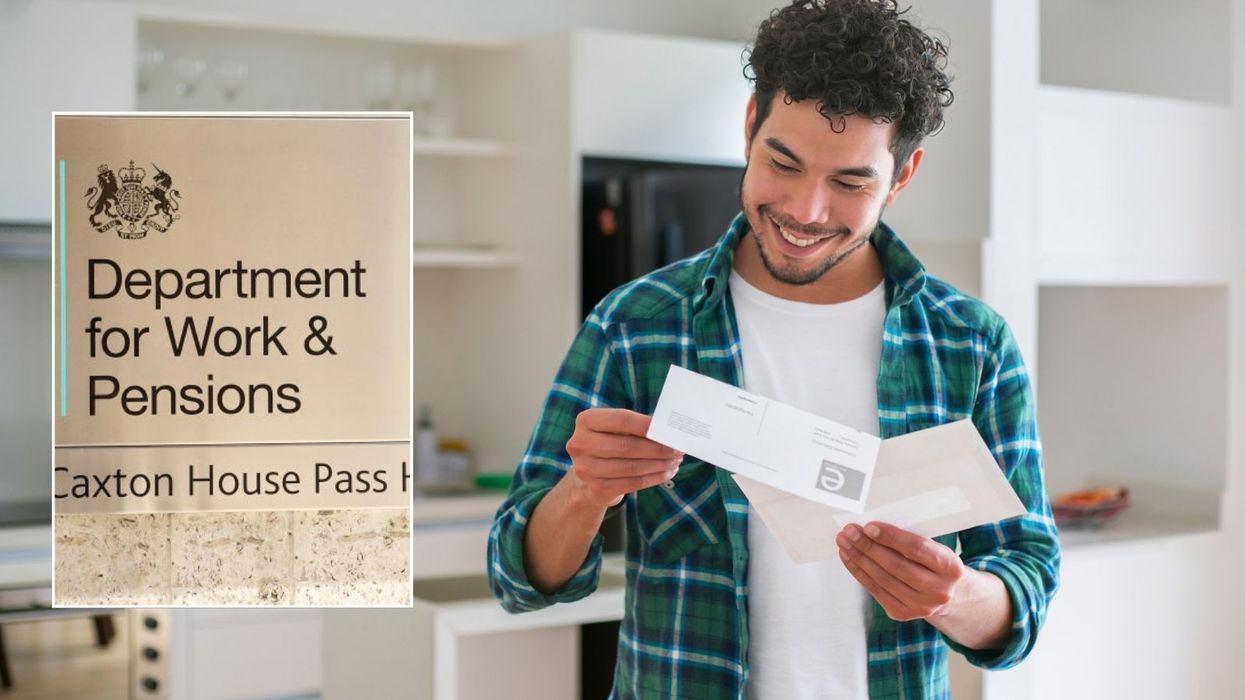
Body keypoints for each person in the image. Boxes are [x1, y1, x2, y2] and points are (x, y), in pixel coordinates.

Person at [488, 1, 1060, 697]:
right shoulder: (635, 324)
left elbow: (1025, 583)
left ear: (901, 176)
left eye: (849, 182)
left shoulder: (969, 343)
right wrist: (585, 491)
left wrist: (953, 595)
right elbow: (517, 577)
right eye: (782, 163)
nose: (805, 210)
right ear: (749, 125)